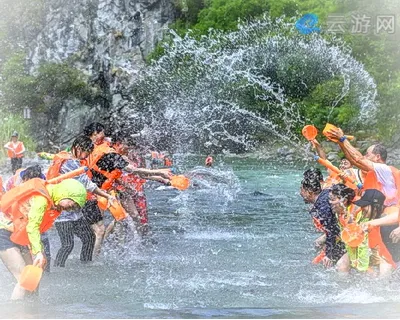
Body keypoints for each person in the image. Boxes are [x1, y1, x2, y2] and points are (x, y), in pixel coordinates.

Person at [0, 178, 87, 300]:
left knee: (34, 281)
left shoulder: (52, 201)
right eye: (72, 203)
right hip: (4, 233)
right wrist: (38, 252)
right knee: (23, 280)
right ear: (65, 193)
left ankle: (33, 314)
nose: (71, 208)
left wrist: (38, 250)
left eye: (75, 207)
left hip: (19, 236)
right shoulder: (41, 199)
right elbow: (32, 226)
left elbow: (32, 229)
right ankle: (14, 315)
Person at [47, 136, 117, 262]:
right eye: (86, 153)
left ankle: (85, 264)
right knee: (68, 245)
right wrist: (107, 196)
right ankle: (58, 266)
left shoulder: (69, 160)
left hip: (76, 213)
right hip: (63, 212)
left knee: (89, 238)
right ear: (78, 148)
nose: (86, 157)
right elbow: (88, 184)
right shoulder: (70, 163)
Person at [326, 127, 400, 206]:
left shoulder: (384, 169)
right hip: (373, 206)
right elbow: (353, 160)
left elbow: (358, 159)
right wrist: (340, 142)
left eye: (367, 154)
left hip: (386, 209)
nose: (365, 156)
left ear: (377, 157)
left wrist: (343, 138)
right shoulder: (373, 171)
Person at [4, 165, 52, 273]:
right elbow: (6, 202)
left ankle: (46, 271)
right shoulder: (13, 183)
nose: (31, 183)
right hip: (18, 220)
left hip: (37, 219)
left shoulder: (43, 183)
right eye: (28, 180)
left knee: (44, 244)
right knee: (24, 248)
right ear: (25, 179)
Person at [300, 173, 346, 268]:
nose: (300, 193)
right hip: (342, 231)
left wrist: (329, 254)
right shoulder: (324, 194)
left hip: (347, 233)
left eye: (302, 190)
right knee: (318, 244)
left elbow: (332, 231)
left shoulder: (323, 207)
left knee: (333, 264)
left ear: (310, 192)